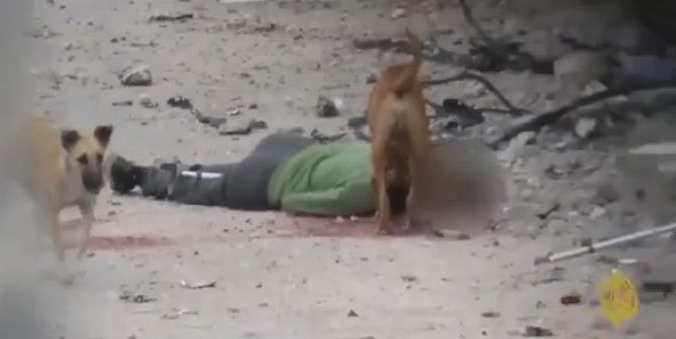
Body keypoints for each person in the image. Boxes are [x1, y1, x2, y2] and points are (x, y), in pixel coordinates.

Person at [109, 131, 504, 219]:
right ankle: (144, 177)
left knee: (216, 176)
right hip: (272, 177)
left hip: (294, 146)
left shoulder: (386, 153)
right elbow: (292, 202)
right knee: (209, 186)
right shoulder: (368, 190)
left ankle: (159, 172)